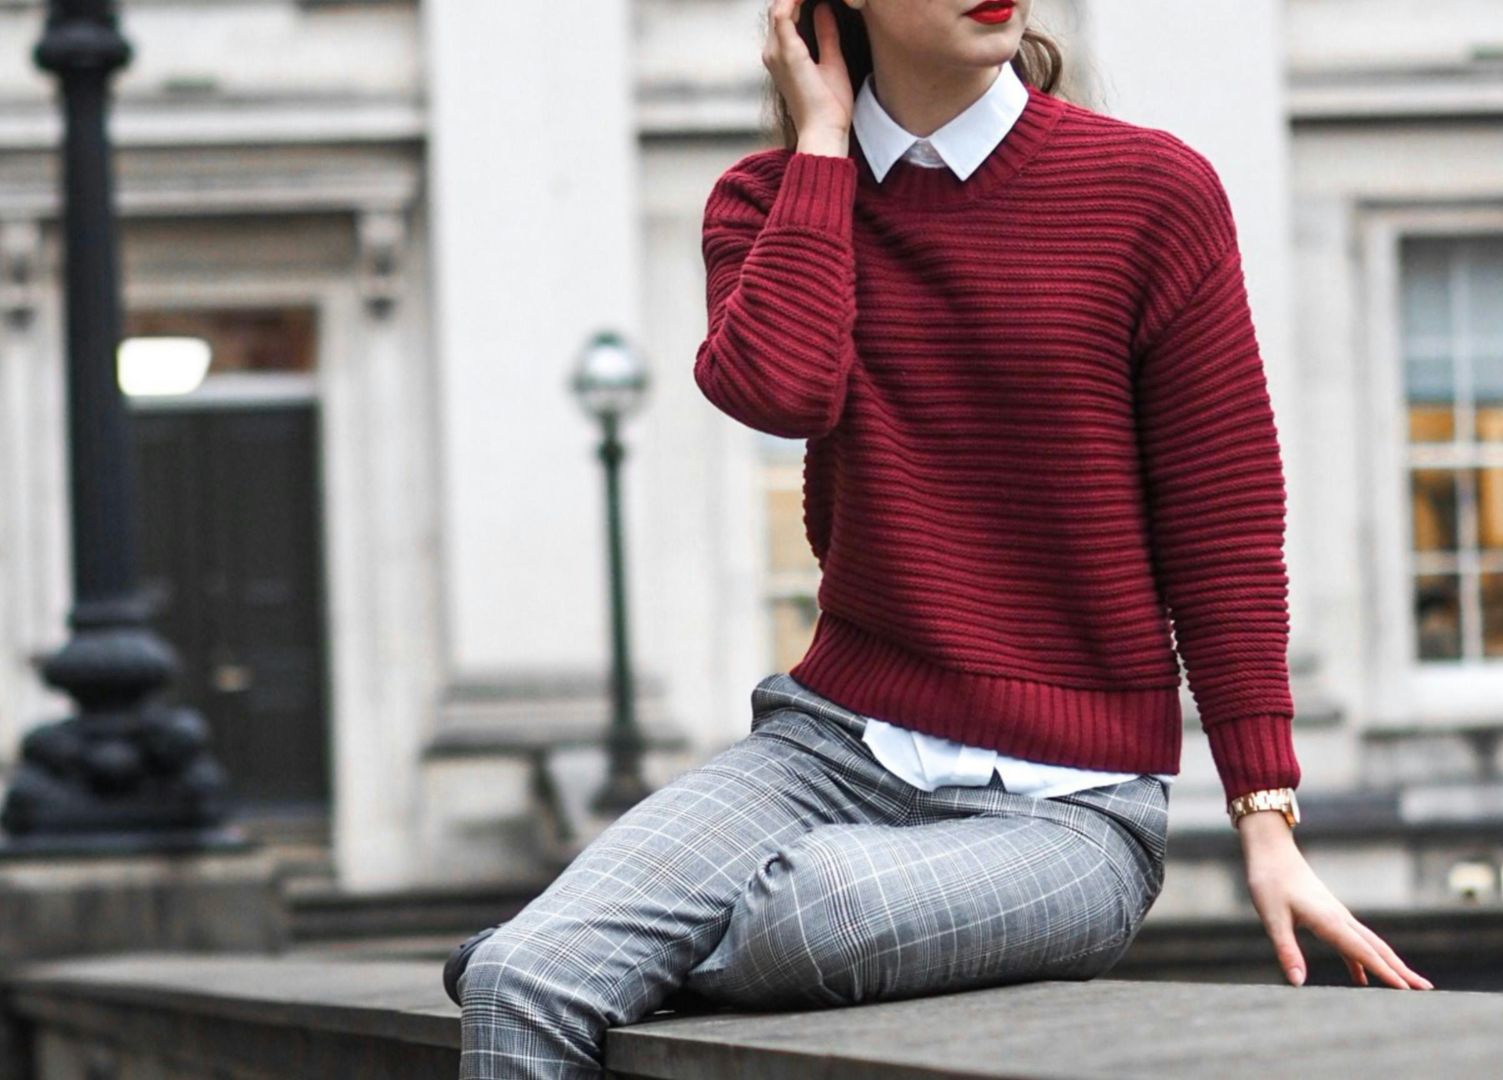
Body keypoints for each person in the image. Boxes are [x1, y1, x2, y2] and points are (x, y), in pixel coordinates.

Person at [444, 1, 1432, 1075]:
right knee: (518, 983)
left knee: (819, 906)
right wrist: (821, 146)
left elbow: (1221, 518)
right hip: (829, 750)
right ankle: (565, 952)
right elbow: (784, 390)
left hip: (1075, 813)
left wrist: (1265, 813)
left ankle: (598, 949)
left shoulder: (1152, 192)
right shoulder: (766, 202)